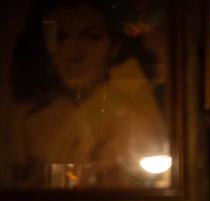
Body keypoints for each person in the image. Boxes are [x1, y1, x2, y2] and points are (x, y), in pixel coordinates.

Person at [4, 0, 169, 188]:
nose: (73, 54)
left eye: (92, 37)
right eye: (59, 37)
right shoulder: (32, 124)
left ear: (114, 46)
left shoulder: (136, 117)